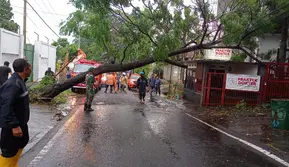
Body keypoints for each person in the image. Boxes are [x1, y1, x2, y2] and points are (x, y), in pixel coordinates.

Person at [0, 58, 32, 167]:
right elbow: (6, 106)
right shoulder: (12, 84)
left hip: (20, 124)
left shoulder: (19, 81)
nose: (31, 70)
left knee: (18, 148)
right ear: (25, 69)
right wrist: (14, 126)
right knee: (9, 153)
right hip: (12, 128)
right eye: (30, 68)